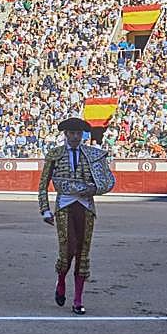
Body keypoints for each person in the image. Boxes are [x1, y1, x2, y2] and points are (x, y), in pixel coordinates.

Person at [37, 117, 109, 315]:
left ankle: (78, 299)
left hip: (86, 207)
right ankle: (61, 282)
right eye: (72, 133)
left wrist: (95, 189)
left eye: (79, 134)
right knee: (67, 250)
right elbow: (43, 185)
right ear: (66, 135)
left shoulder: (92, 155)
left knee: (83, 252)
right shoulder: (54, 154)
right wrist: (45, 209)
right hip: (64, 206)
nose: (76, 137)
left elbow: (105, 181)